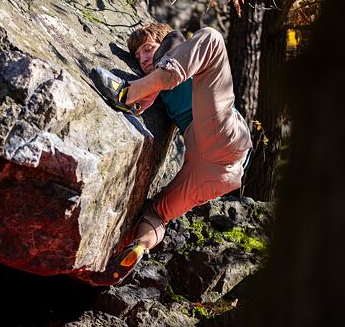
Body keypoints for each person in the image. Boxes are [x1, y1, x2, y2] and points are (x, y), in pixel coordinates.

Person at [90, 23, 253, 285]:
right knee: (157, 213)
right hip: (218, 173)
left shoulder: (181, 53)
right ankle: (139, 246)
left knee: (211, 38)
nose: (143, 58)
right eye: (138, 56)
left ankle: (128, 93)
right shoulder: (162, 79)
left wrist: (149, 86)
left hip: (221, 134)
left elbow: (174, 40)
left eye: (147, 48)